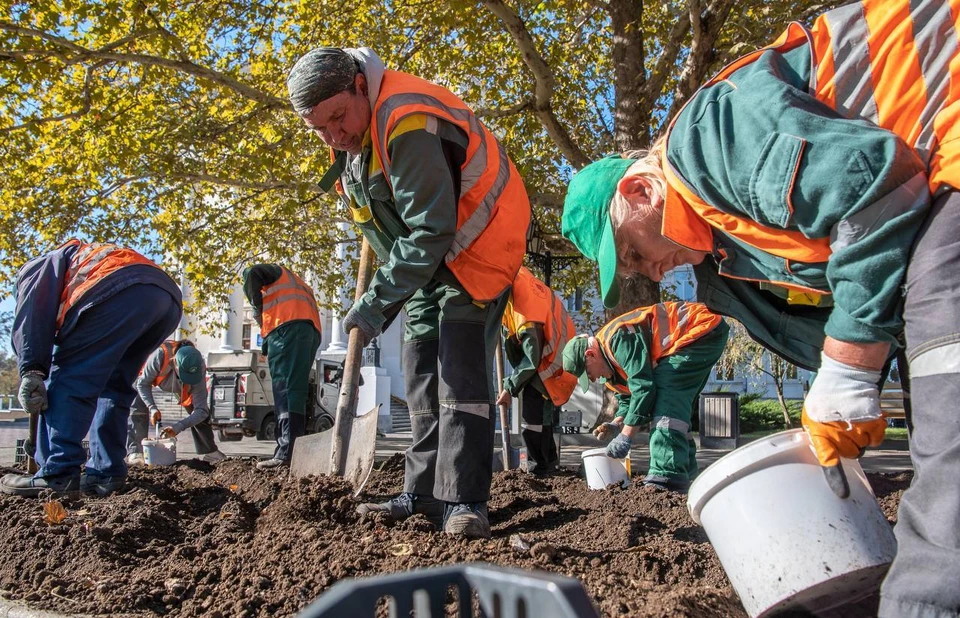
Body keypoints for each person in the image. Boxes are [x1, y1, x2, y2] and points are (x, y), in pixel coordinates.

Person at [561, 0, 957, 614]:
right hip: (925, 188)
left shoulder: (708, 139)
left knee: (949, 404)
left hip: (942, 126)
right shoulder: (724, 257)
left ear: (639, 191)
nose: (649, 274)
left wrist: (850, 366)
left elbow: (877, 190)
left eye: (634, 254)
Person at [285, 47, 530, 538]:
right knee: (420, 372)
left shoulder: (408, 121)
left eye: (338, 118)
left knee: (458, 377)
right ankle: (421, 493)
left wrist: (373, 304)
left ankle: (465, 501)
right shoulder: (354, 143)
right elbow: (388, 224)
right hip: (426, 266)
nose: (334, 135)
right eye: (320, 129)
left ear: (360, 85)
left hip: (475, 253)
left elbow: (431, 229)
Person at [2, 239, 182, 497]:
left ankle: (57, 473)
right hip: (164, 298)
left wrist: (31, 370)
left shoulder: (35, 270)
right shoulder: (78, 259)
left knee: (69, 380)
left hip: (115, 290)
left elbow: (32, 322)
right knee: (113, 387)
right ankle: (106, 472)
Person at [561, 303, 727, 491]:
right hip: (697, 336)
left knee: (667, 393)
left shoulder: (618, 339)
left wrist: (626, 435)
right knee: (675, 409)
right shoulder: (609, 366)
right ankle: (685, 472)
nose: (592, 379)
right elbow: (628, 396)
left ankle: (667, 476)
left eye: (588, 373)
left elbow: (644, 388)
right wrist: (617, 423)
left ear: (590, 355)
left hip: (701, 327)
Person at [497, 267, 578, 475]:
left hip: (547, 368)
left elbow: (531, 359)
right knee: (542, 420)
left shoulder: (526, 310)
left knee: (533, 419)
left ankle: (538, 468)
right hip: (552, 367)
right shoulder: (521, 282)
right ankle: (548, 466)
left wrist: (509, 387)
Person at [243, 264, 322, 470]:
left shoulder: (276, 273)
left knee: (285, 389)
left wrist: (257, 310)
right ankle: (294, 451)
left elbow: (251, 273)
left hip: (286, 328)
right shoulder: (300, 284)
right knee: (295, 391)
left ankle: (286, 452)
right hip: (308, 332)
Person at [126, 339, 226, 465]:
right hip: (144, 379)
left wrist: (177, 427)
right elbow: (143, 384)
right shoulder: (160, 355)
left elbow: (201, 410)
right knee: (138, 409)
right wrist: (152, 407)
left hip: (178, 386)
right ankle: (136, 452)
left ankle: (210, 452)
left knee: (198, 414)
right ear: (175, 363)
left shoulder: (198, 366)